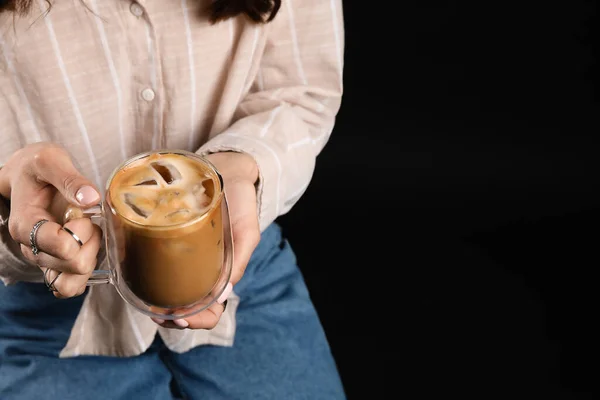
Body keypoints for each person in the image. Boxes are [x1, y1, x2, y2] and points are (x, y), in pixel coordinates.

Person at [0, 0, 345, 398]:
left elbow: (302, 92)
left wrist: (236, 167)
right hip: (44, 311)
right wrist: (12, 204)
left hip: (241, 266)